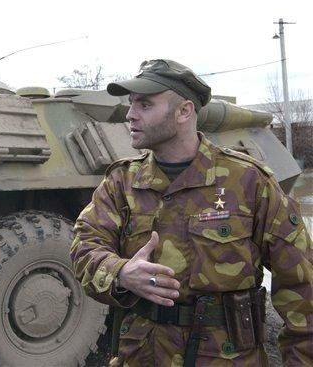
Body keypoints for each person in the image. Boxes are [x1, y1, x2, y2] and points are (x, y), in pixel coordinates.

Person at [70, 59, 313, 366]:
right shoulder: (122, 182)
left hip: (226, 357)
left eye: (145, 105)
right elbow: (83, 247)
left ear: (184, 111)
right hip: (143, 355)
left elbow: (302, 285)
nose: (130, 115)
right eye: (131, 104)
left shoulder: (248, 181)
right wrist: (120, 273)